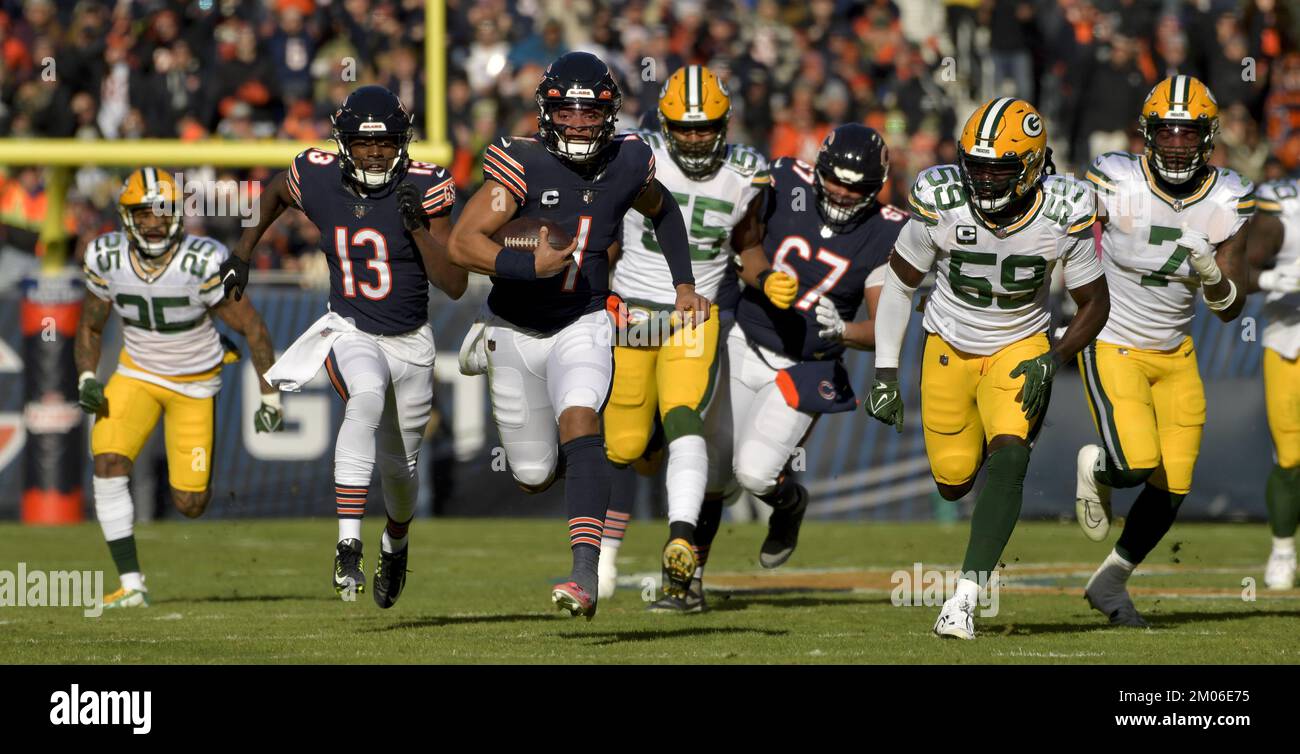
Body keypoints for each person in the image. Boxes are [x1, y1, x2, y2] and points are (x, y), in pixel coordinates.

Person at [449, 52, 708, 619]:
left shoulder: (629, 160)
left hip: (584, 317)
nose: (580, 124)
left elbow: (663, 211)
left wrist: (684, 284)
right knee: (534, 475)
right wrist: (526, 265)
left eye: (592, 113)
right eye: (567, 112)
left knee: (582, 421)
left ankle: (584, 576)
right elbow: (462, 243)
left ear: (611, 114)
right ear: (546, 112)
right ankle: (565, 457)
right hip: (513, 326)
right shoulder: (520, 162)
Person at [866, 98, 1110, 640]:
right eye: (976, 166)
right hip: (949, 345)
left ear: (1030, 165)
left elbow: (1095, 302)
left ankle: (964, 600)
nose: (984, 179)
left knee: (1011, 456)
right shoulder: (942, 199)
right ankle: (979, 467)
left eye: (999, 168)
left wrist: (1056, 357)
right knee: (953, 482)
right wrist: (884, 373)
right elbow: (901, 283)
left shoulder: (1064, 208)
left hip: (1021, 345)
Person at [219, 85, 465, 609]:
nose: (375, 152)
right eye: (362, 142)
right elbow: (276, 193)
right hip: (350, 328)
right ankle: (347, 544)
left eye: (385, 142)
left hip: (413, 343)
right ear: (343, 142)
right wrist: (243, 249)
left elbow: (456, 283)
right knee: (365, 398)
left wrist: (418, 229)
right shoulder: (318, 173)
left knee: (401, 472)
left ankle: (394, 544)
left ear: (404, 141)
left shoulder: (426, 185)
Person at [1075, 76, 1251, 626]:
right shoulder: (1114, 177)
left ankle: (1111, 583)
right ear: (1147, 134)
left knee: (1173, 484)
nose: (1177, 143)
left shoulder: (1229, 196)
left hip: (1175, 354)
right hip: (1113, 341)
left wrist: (1212, 276)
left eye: (1188, 132)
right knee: (1134, 465)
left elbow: (1229, 308)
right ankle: (1099, 468)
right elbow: (1068, 237)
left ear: (1208, 137)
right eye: (1167, 132)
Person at [596, 65, 769, 612]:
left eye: (706, 127)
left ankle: (681, 540)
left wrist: (769, 281)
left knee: (684, 415)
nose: (695, 137)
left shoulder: (745, 172)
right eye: (685, 127)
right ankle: (604, 553)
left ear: (724, 123)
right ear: (665, 124)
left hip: (694, 315)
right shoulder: (633, 154)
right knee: (623, 442)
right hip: (630, 313)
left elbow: (749, 245)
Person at [77, 167, 281, 608]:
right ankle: (132, 584)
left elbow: (255, 329)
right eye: (143, 213)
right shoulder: (106, 257)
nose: (153, 222)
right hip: (138, 373)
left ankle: (213, 345)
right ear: (126, 217)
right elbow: (91, 327)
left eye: (162, 211)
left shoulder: (202, 260)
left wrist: (271, 396)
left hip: (194, 382)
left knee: (191, 503)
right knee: (108, 461)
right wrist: (88, 377)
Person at [731, 123, 904, 571]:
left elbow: (885, 327)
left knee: (754, 472)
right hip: (745, 336)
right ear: (818, 169)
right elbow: (743, 245)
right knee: (712, 468)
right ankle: (687, 578)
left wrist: (844, 330)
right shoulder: (785, 180)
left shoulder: (886, 232)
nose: (844, 193)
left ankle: (789, 505)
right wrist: (766, 278)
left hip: (808, 365)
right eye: (835, 180)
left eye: (857, 186)